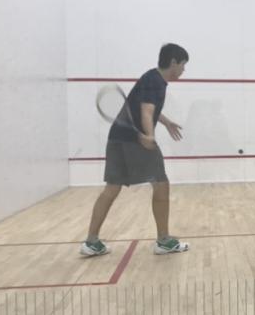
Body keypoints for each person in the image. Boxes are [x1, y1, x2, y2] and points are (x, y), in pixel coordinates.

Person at [80, 43, 191, 257]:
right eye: (183, 65)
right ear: (173, 63)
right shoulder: (156, 81)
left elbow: (149, 107)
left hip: (117, 138)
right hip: (135, 141)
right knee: (161, 184)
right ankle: (163, 240)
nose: (183, 71)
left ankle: (91, 241)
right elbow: (146, 111)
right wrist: (149, 136)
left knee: (111, 188)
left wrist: (166, 122)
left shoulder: (151, 78)